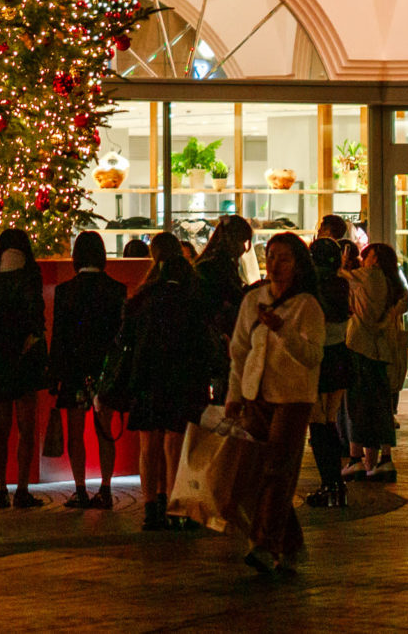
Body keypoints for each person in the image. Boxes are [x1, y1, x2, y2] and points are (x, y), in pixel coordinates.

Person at [216, 231, 324, 576]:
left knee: (278, 468)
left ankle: (264, 544)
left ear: (298, 265)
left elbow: (311, 356)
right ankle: (290, 545)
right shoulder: (253, 300)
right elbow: (239, 351)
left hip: (293, 397)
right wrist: (234, 394)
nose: (275, 264)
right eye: (272, 256)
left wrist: (283, 331)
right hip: (255, 395)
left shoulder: (307, 305)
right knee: (256, 472)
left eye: (284, 258)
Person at [104, 232, 206, 531]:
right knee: (174, 443)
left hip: (146, 376)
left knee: (148, 444)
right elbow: (202, 342)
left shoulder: (142, 298)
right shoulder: (192, 298)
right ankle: (175, 505)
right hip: (181, 378)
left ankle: (151, 507)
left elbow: (125, 339)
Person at [45, 231, 126, 510]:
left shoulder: (66, 290)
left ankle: (79, 488)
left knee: (75, 432)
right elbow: (120, 335)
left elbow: (59, 336)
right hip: (105, 372)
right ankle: (105, 488)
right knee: (105, 431)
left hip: (74, 369)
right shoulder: (116, 289)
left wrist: (54, 373)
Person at [0, 226, 48, 510]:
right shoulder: (30, 274)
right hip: (24, 356)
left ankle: (1, 487)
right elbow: (35, 314)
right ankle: (22, 489)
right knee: (26, 427)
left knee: (0, 426)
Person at [343, 242, 407, 483]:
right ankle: (384, 459)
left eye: (366, 255)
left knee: (357, 404)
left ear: (375, 258)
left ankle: (355, 460)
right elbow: (405, 302)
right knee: (381, 406)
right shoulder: (394, 283)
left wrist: (343, 263)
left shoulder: (366, 276)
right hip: (383, 350)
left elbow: (341, 276)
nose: (363, 259)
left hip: (360, 346)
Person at [299, 236, 354, 507]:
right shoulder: (342, 283)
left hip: (317, 356)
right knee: (329, 420)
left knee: (317, 422)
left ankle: (329, 484)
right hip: (339, 355)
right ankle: (336, 486)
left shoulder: (309, 287)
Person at [193, 216, 254, 391]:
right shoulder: (217, 267)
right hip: (217, 339)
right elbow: (230, 299)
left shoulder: (210, 264)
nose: (243, 247)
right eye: (241, 241)